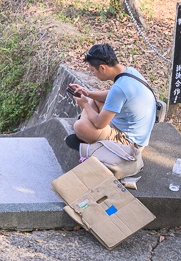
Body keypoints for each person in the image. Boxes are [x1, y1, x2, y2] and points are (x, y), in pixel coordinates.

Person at [65, 44, 157, 178]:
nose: (93, 74)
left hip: (130, 143)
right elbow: (110, 96)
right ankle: (91, 130)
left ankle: (88, 133)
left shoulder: (119, 89)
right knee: (95, 100)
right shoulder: (130, 72)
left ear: (102, 68)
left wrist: (84, 105)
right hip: (137, 132)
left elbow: (99, 124)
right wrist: (88, 93)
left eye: (93, 70)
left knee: (80, 126)